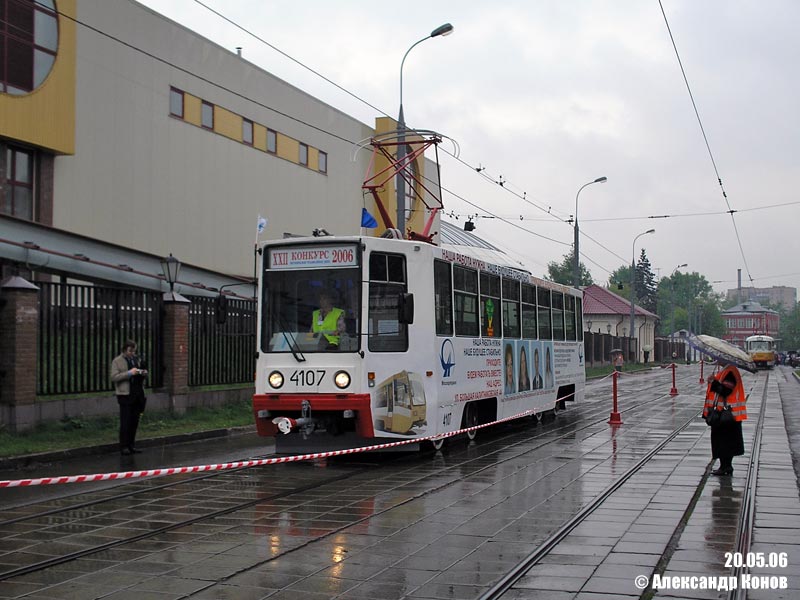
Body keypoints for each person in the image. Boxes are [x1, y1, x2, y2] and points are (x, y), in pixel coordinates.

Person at [702, 365, 747, 476]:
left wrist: (713, 382)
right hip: (723, 415)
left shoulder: (730, 372)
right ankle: (724, 466)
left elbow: (726, 390)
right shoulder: (726, 371)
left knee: (725, 442)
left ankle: (726, 466)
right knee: (722, 442)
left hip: (727, 416)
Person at [110, 340, 148, 455]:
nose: (132, 353)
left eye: (134, 351)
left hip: (137, 394)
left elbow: (139, 373)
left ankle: (132, 445)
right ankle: (124, 446)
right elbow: (114, 377)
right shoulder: (117, 361)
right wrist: (129, 373)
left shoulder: (136, 359)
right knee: (125, 422)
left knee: (134, 422)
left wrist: (143, 373)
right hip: (125, 395)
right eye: (130, 351)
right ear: (124, 350)